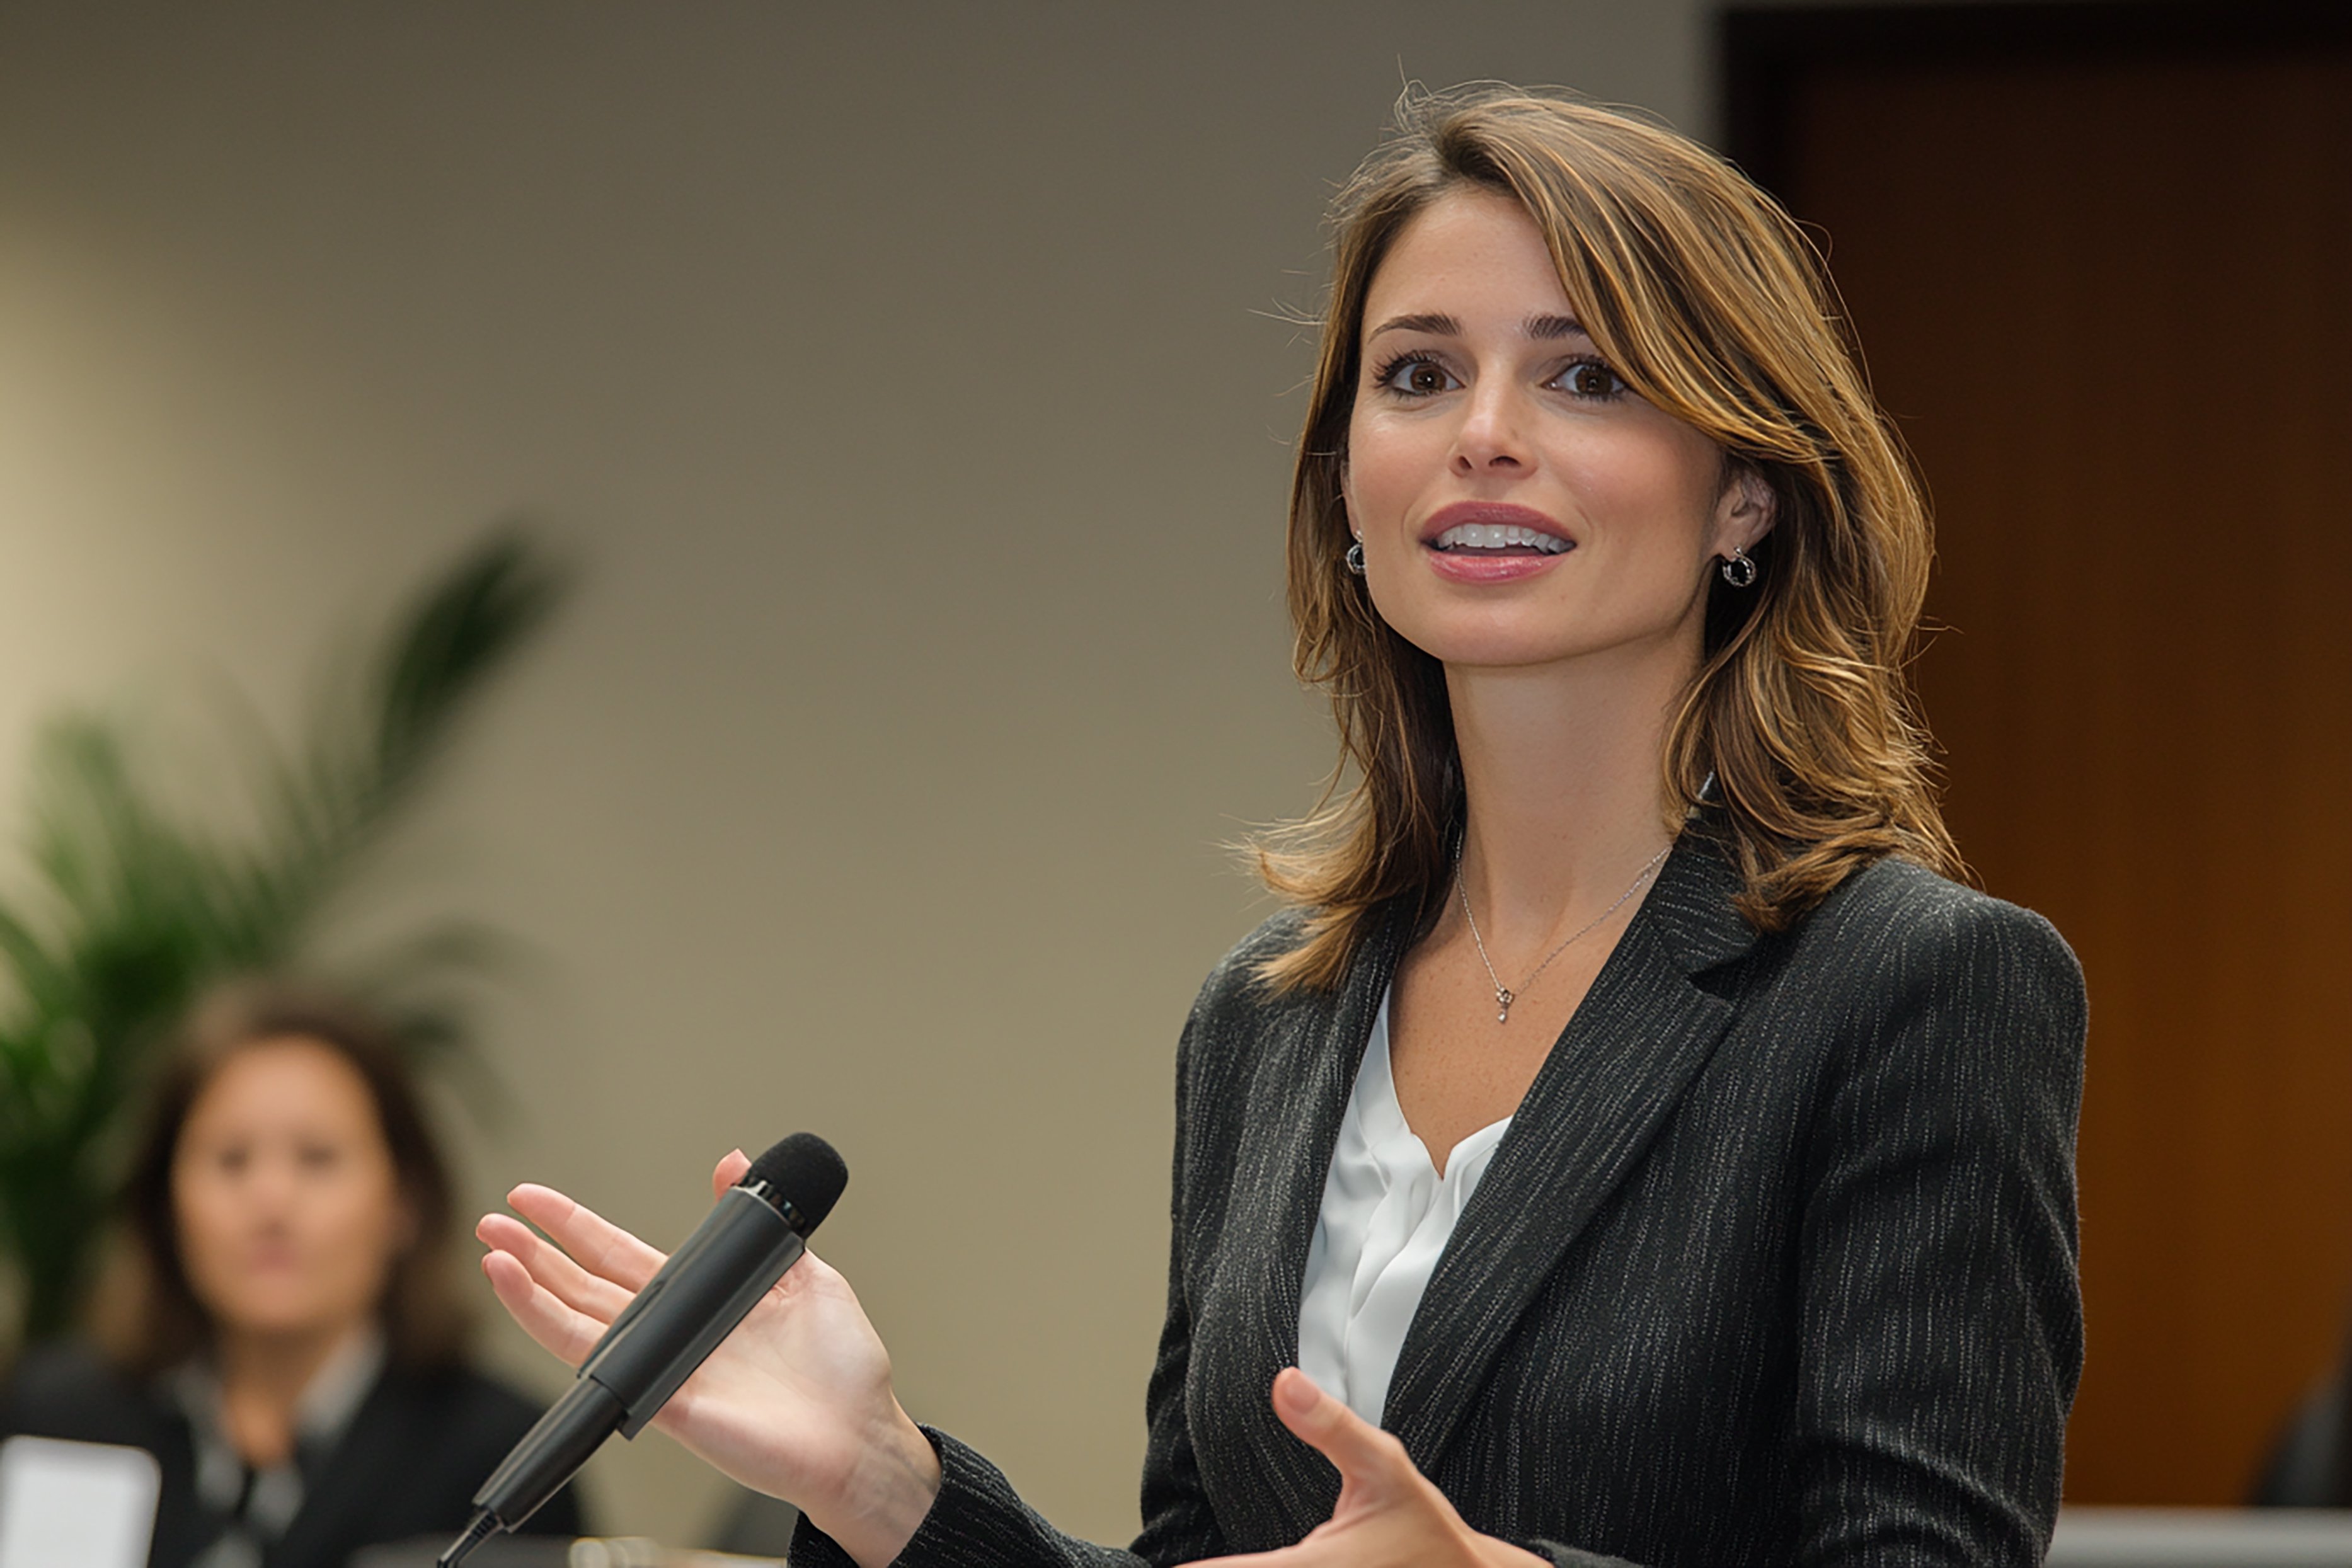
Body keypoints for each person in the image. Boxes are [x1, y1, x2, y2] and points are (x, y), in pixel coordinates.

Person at [475, 85, 2086, 1567]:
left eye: (1584, 372)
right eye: (1419, 371)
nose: (1483, 430)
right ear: (1346, 487)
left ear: (1744, 489)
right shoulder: (1270, 1014)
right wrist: (880, 1476)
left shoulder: (1915, 988)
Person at [0, 985, 585, 1567]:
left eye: (317, 1157)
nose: (271, 1202)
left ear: (402, 1200)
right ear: (164, 1201)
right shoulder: (61, 1417)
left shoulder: (503, 1453)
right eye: (231, 1158)